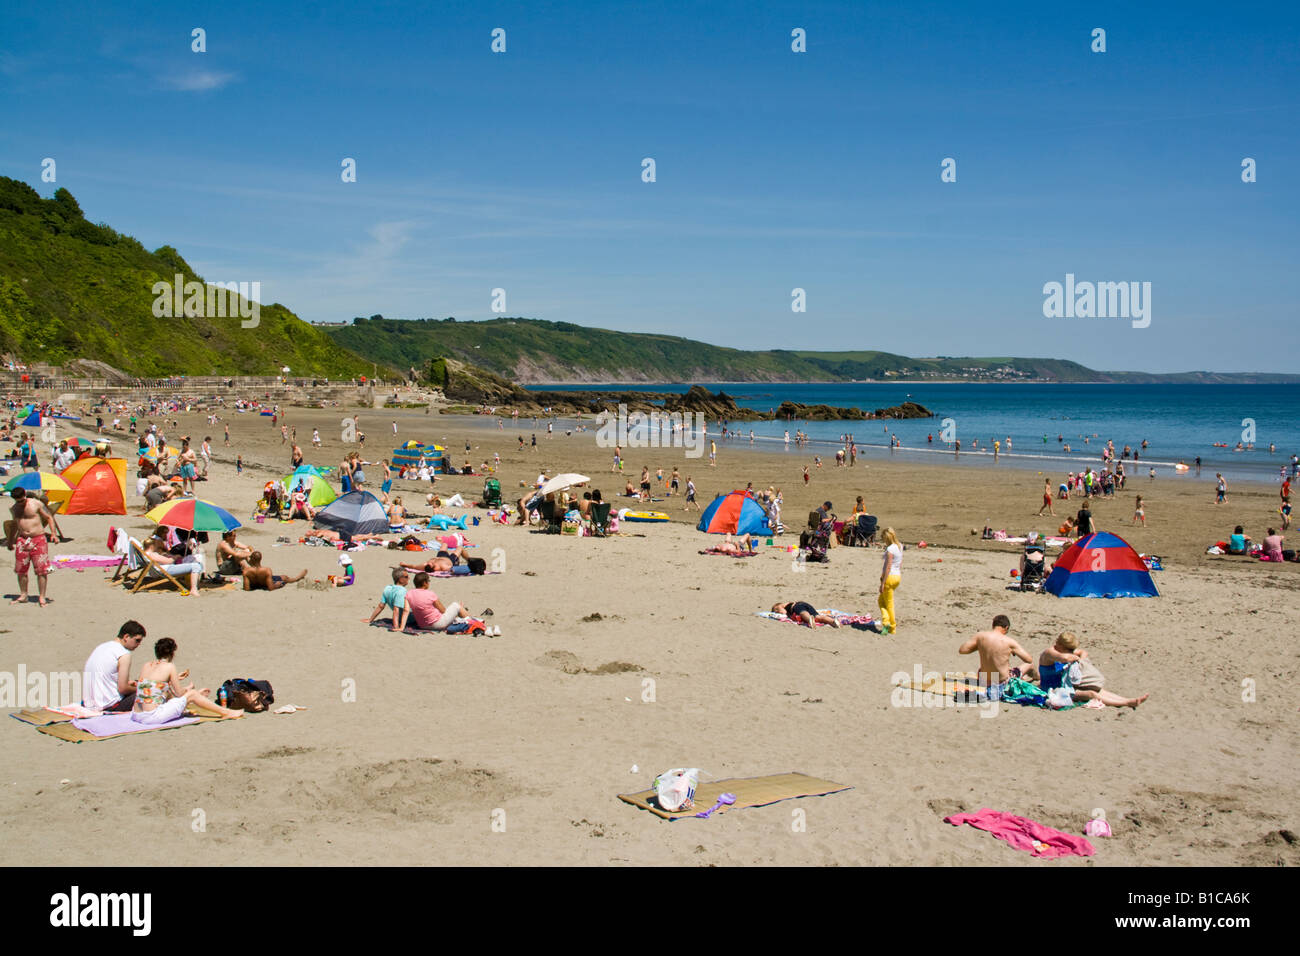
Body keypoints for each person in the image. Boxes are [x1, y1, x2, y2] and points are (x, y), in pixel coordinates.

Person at [132, 637, 241, 723]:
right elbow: (179, 694)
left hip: (136, 715)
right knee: (192, 694)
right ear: (172, 653)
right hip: (151, 717)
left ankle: (194, 699)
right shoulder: (170, 666)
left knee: (175, 694)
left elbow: (154, 689)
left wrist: (178, 685)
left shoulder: (146, 665)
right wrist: (191, 691)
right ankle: (227, 712)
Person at [1038, 632, 1148, 708]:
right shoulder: (1050, 652)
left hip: (1065, 685)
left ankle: (1127, 700)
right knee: (1091, 694)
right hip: (1052, 689)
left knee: (1098, 689)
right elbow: (1065, 658)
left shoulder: (1065, 651)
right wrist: (1076, 658)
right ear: (1061, 645)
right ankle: (1126, 703)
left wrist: (1080, 659)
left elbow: (1083, 652)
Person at [958, 615, 1036, 699]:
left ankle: (1027, 677)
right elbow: (1028, 659)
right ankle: (1039, 678)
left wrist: (980, 647)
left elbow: (962, 650)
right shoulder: (1009, 642)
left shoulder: (980, 636)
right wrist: (1013, 651)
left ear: (993, 625)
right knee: (1030, 665)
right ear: (1006, 628)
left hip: (983, 681)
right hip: (1000, 684)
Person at [82, 621, 147, 712]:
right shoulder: (123, 654)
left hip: (89, 704)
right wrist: (139, 688)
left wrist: (128, 683)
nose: (139, 644)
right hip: (109, 706)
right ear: (126, 637)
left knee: (135, 684)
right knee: (149, 690)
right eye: (137, 640)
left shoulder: (101, 647)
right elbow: (123, 689)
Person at [6, 487, 55, 606]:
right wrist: (10, 540)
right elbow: (14, 525)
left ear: (25, 496)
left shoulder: (35, 504)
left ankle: (42, 597)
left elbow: (48, 517)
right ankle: (23, 595)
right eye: (17, 501)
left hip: (38, 539)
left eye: (22, 501)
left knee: (42, 570)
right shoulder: (14, 508)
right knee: (21, 570)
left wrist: (53, 533)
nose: (20, 503)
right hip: (22, 540)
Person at [877, 527, 902, 634]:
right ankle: (887, 621)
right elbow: (900, 563)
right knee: (881, 601)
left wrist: (882, 582)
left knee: (888, 603)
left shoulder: (890, 549)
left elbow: (888, 567)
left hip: (890, 577)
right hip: (897, 576)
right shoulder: (899, 546)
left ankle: (890, 625)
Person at [242, 551, 307, 591]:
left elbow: (246, 589)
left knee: (281, 577)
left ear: (252, 559)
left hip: (255, 585)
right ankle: (296, 578)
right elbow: (271, 588)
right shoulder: (266, 570)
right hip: (265, 585)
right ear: (260, 559)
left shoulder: (246, 571)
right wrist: (277, 585)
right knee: (285, 577)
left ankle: (297, 578)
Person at [771, 600, 840, 627]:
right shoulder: (789, 603)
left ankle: (809, 619)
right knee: (818, 617)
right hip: (806, 604)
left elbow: (784, 612)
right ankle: (833, 621)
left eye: (777, 611)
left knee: (803, 613)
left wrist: (780, 613)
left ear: (777, 607)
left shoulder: (780, 606)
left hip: (797, 606)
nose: (778, 612)